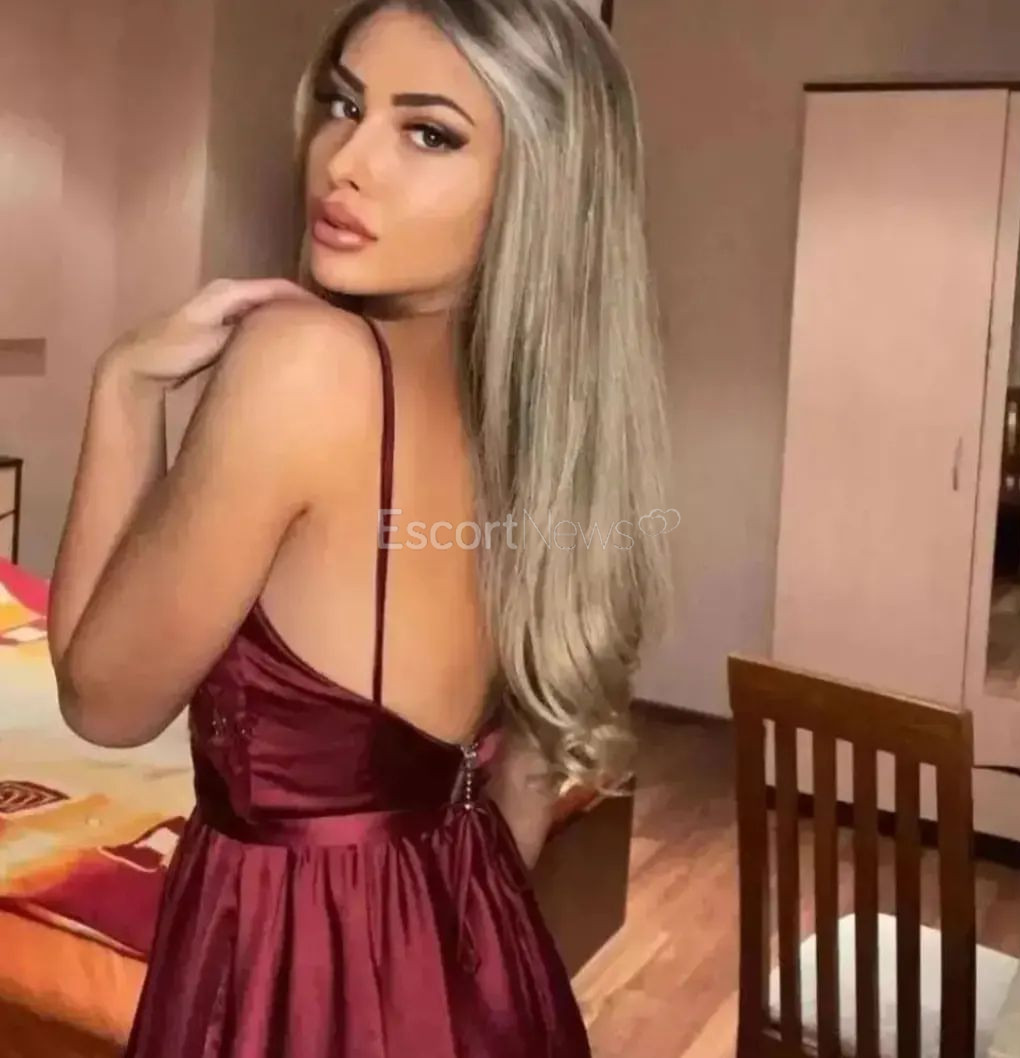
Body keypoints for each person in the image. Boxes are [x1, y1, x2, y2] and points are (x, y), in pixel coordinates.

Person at [48, 1, 673, 1054]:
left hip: (305, 972)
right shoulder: (534, 425)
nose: (344, 162)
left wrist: (123, 384)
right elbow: (523, 779)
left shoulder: (304, 364)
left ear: (541, 185)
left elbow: (102, 700)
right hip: (481, 951)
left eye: (427, 132)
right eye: (344, 104)